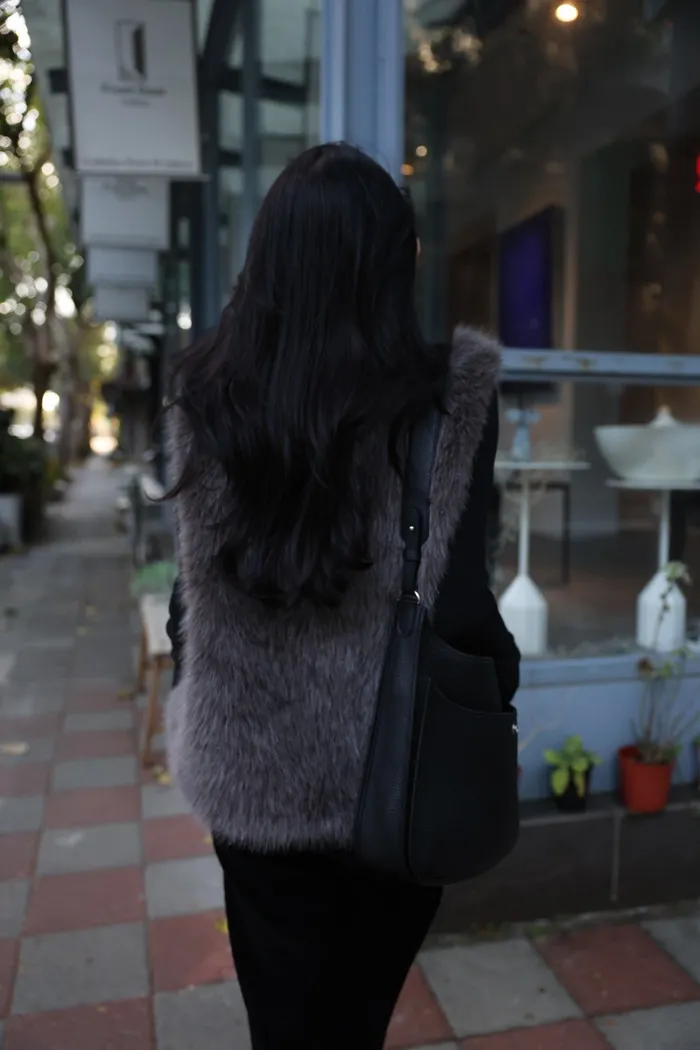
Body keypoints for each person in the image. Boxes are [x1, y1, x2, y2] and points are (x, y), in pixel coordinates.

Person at [164, 142, 519, 1050]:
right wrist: (498, 690)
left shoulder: (210, 399)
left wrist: (200, 698)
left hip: (251, 774)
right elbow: (462, 607)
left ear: (266, 262)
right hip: (394, 775)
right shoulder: (450, 407)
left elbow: (185, 600)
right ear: (394, 265)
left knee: (281, 1024)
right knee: (357, 1021)